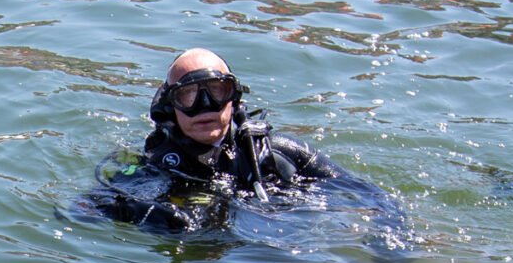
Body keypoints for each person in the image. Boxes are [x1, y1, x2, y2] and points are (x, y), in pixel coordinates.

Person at [83, 49, 405, 247]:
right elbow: (82, 212)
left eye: (216, 91)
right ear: (170, 107)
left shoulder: (278, 152)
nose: (205, 106)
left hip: (299, 241)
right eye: (189, 96)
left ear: (234, 98)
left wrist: (389, 238)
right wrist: (146, 216)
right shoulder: (154, 166)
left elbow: (372, 196)